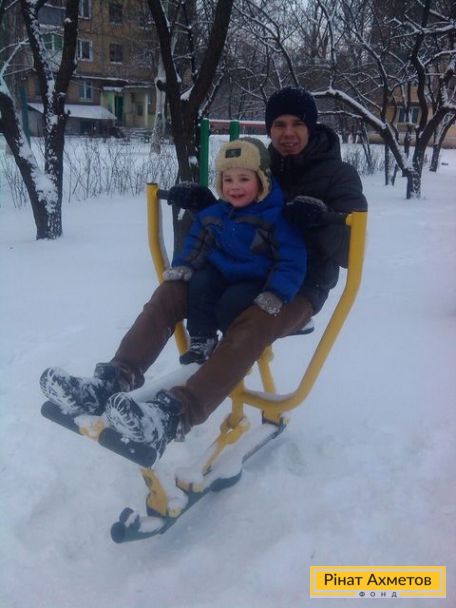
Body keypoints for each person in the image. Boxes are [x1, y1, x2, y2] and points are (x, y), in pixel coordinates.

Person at [40, 86, 367, 463]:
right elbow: (241, 209)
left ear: (312, 126)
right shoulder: (263, 162)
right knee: (172, 290)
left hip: (298, 284)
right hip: (237, 267)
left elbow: (350, 249)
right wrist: (208, 206)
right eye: (279, 124)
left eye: (297, 123)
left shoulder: (339, 176)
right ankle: (111, 379)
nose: (288, 132)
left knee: (255, 322)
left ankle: (174, 414)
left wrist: (319, 221)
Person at [166, 137, 307, 366]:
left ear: (261, 181)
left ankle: (232, 346)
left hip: (256, 277)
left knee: (231, 303)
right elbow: (198, 241)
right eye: (228, 179)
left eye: (244, 179)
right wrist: (185, 264)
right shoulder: (217, 212)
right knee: (200, 284)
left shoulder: (275, 217)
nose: (235, 186)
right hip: (223, 272)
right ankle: (202, 339)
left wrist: (277, 293)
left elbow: (291, 259)